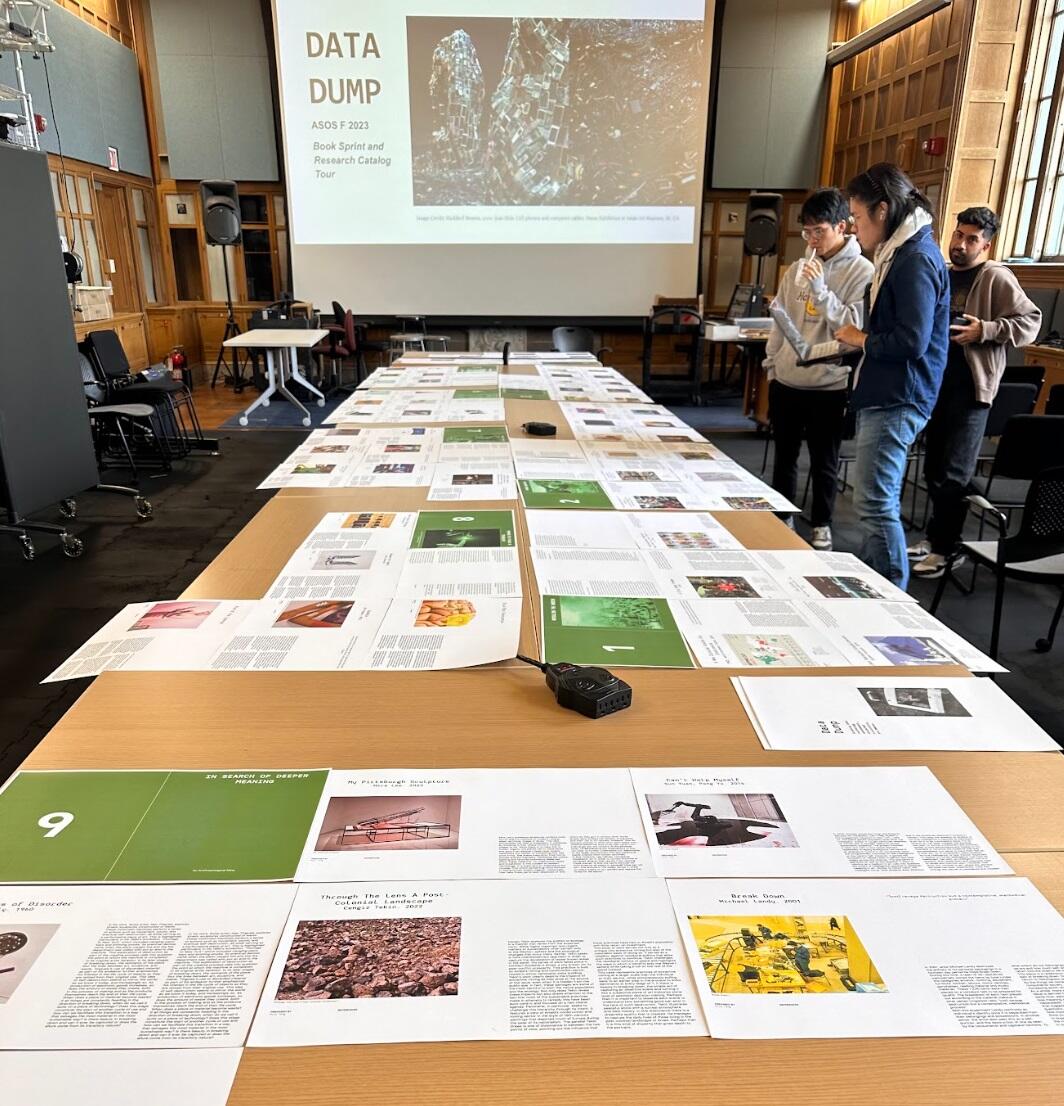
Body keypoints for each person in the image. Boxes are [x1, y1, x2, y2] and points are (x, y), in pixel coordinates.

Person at [908, 207, 1042, 578]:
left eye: (971, 239)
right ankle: (936, 537)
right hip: (936, 383)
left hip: (972, 389)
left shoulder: (995, 276)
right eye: (958, 235)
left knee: (955, 472)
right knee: (934, 467)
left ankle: (947, 548)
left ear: (986, 244)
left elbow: (1030, 321)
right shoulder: (944, 273)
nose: (961, 245)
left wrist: (984, 330)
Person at [835, 163, 950, 589]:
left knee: (874, 503)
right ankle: (874, 586)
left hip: (899, 395)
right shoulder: (899, 253)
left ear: (883, 210)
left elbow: (911, 342)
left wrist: (860, 339)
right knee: (871, 502)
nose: (855, 228)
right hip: (887, 392)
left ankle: (892, 599)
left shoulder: (916, 257)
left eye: (859, 218)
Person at [764, 188, 873, 550]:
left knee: (825, 461)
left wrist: (821, 290)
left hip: (829, 384)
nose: (811, 240)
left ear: (842, 226)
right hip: (787, 380)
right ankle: (782, 517)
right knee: (785, 457)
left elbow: (854, 328)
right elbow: (781, 319)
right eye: (806, 232)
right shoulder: (797, 267)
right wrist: (771, 364)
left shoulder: (862, 271)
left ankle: (822, 523)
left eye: (819, 231)